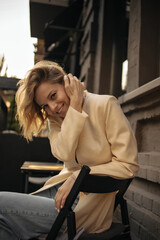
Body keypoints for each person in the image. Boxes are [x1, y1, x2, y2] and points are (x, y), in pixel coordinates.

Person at [0, 60, 139, 239]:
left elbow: (129, 165)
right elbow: (63, 153)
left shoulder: (105, 105)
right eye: (45, 106)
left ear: (66, 82)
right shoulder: (56, 120)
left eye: (53, 96)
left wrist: (79, 177)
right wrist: (74, 108)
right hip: (61, 194)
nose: (53, 108)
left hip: (85, 206)